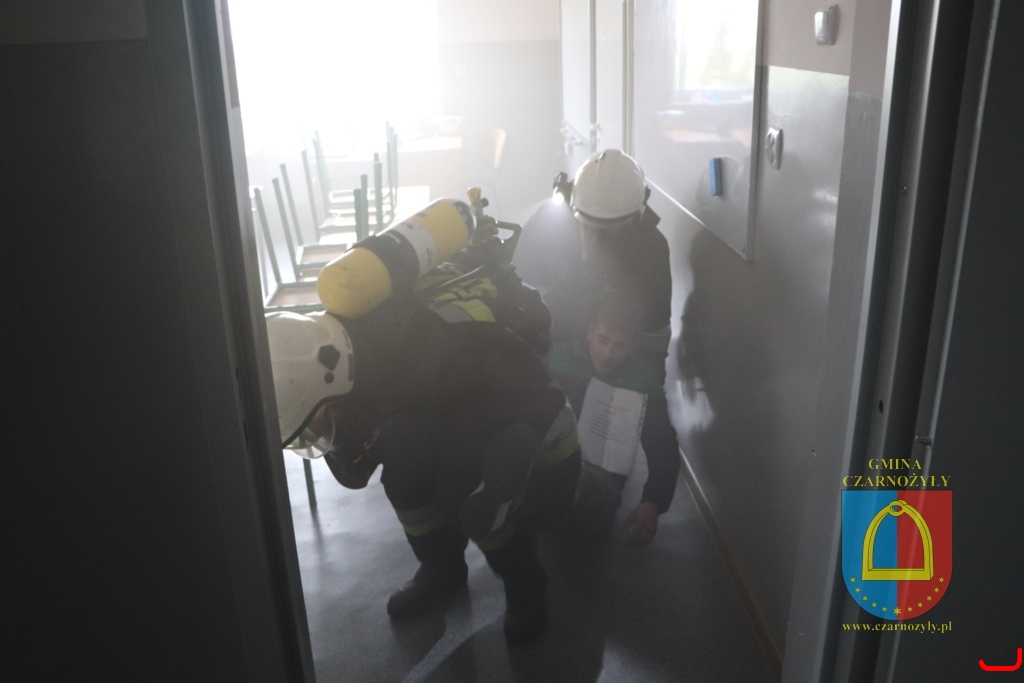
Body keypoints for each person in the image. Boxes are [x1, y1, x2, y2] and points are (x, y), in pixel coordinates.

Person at [266, 259, 581, 644]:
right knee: (404, 474)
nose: (321, 434)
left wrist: (543, 486)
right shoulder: (345, 354)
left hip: (510, 415)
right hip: (435, 402)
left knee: (467, 489)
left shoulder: (443, 349)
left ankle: (525, 584)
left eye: (316, 423)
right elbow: (385, 421)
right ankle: (442, 569)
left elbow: (544, 404)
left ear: (333, 381)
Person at [516, 149, 673, 371]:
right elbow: (520, 289)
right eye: (588, 223)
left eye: (608, 228)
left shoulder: (651, 248)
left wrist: (647, 382)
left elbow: (655, 330)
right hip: (552, 338)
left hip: (615, 357)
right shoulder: (549, 222)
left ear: (634, 219)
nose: (594, 235)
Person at [547, 293, 681, 546]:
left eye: (619, 346)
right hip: (551, 461)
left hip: (599, 479)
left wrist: (653, 502)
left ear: (632, 347)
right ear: (590, 331)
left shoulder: (643, 381)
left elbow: (662, 443)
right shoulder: (556, 358)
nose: (607, 354)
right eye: (602, 340)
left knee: (583, 524)